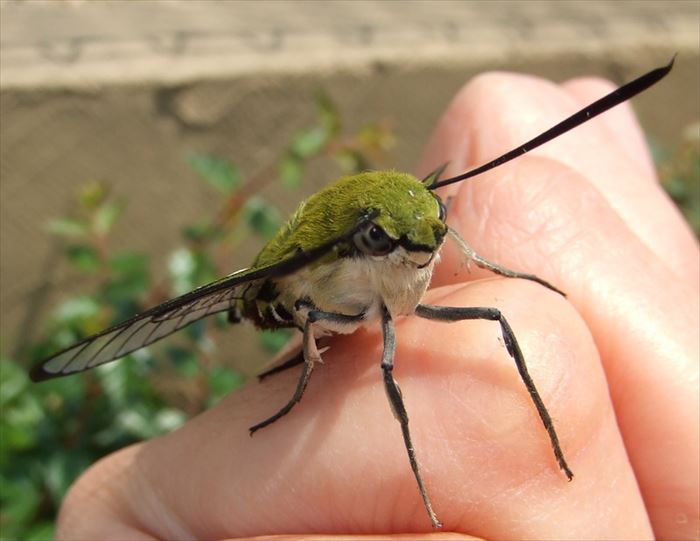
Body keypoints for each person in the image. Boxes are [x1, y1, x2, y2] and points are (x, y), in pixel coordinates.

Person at [55, 69, 699, 540]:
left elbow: (424, 227)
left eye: (435, 236)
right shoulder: (339, 252)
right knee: (385, 366)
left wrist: (484, 265)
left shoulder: (415, 228)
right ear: (364, 237)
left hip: (359, 279)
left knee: (501, 316)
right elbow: (300, 299)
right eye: (388, 245)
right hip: (293, 296)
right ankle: (312, 386)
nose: (419, 260)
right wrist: (304, 374)